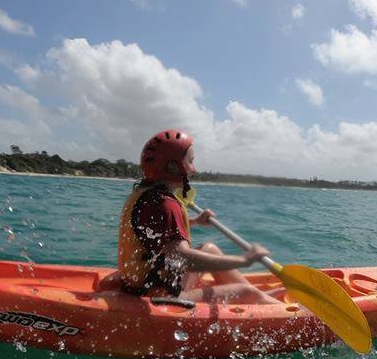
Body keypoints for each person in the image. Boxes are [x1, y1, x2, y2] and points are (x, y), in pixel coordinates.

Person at [112, 130, 279, 304]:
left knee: (210, 249)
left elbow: (155, 231)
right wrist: (243, 260)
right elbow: (180, 257)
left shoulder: (145, 194)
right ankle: (264, 302)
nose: (194, 169)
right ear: (172, 166)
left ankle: (264, 299)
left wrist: (195, 221)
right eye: (190, 162)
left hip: (141, 283)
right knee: (247, 292)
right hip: (159, 295)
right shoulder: (166, 204)